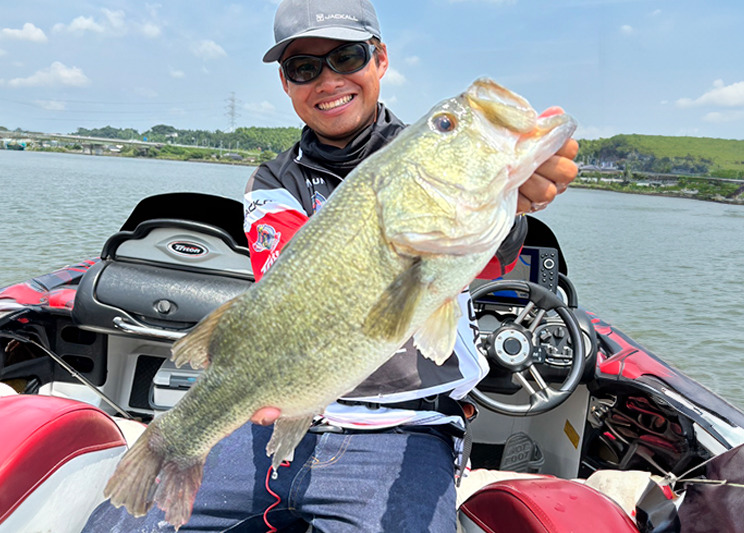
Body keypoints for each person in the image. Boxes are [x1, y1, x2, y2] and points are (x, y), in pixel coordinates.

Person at [81, 0, 578, 531]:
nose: (328, 80)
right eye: (304, 67)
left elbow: (487, 261)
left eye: (347, 57)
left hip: (408, 428)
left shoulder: (414, 158)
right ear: (286, 83)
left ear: (380, 59)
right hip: (271, 421)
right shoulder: (273, 181)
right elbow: (288, 294)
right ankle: (174, 443)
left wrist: (512, 206)